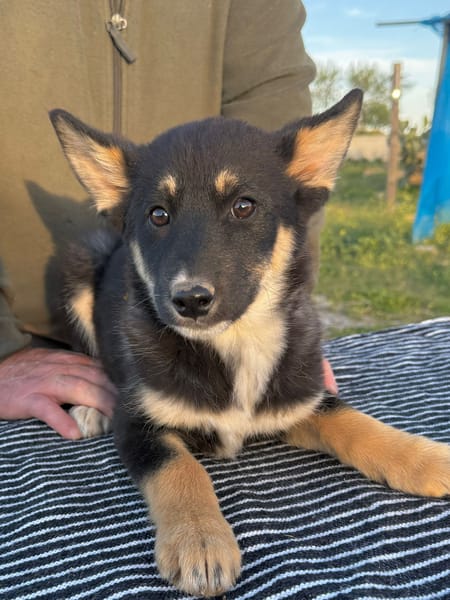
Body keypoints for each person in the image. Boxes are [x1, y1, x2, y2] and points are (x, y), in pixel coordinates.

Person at [0, 0, 335, 439]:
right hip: (32, 339)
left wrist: (284, 323)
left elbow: (278, 166)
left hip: (217, 328)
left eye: (242, 207)